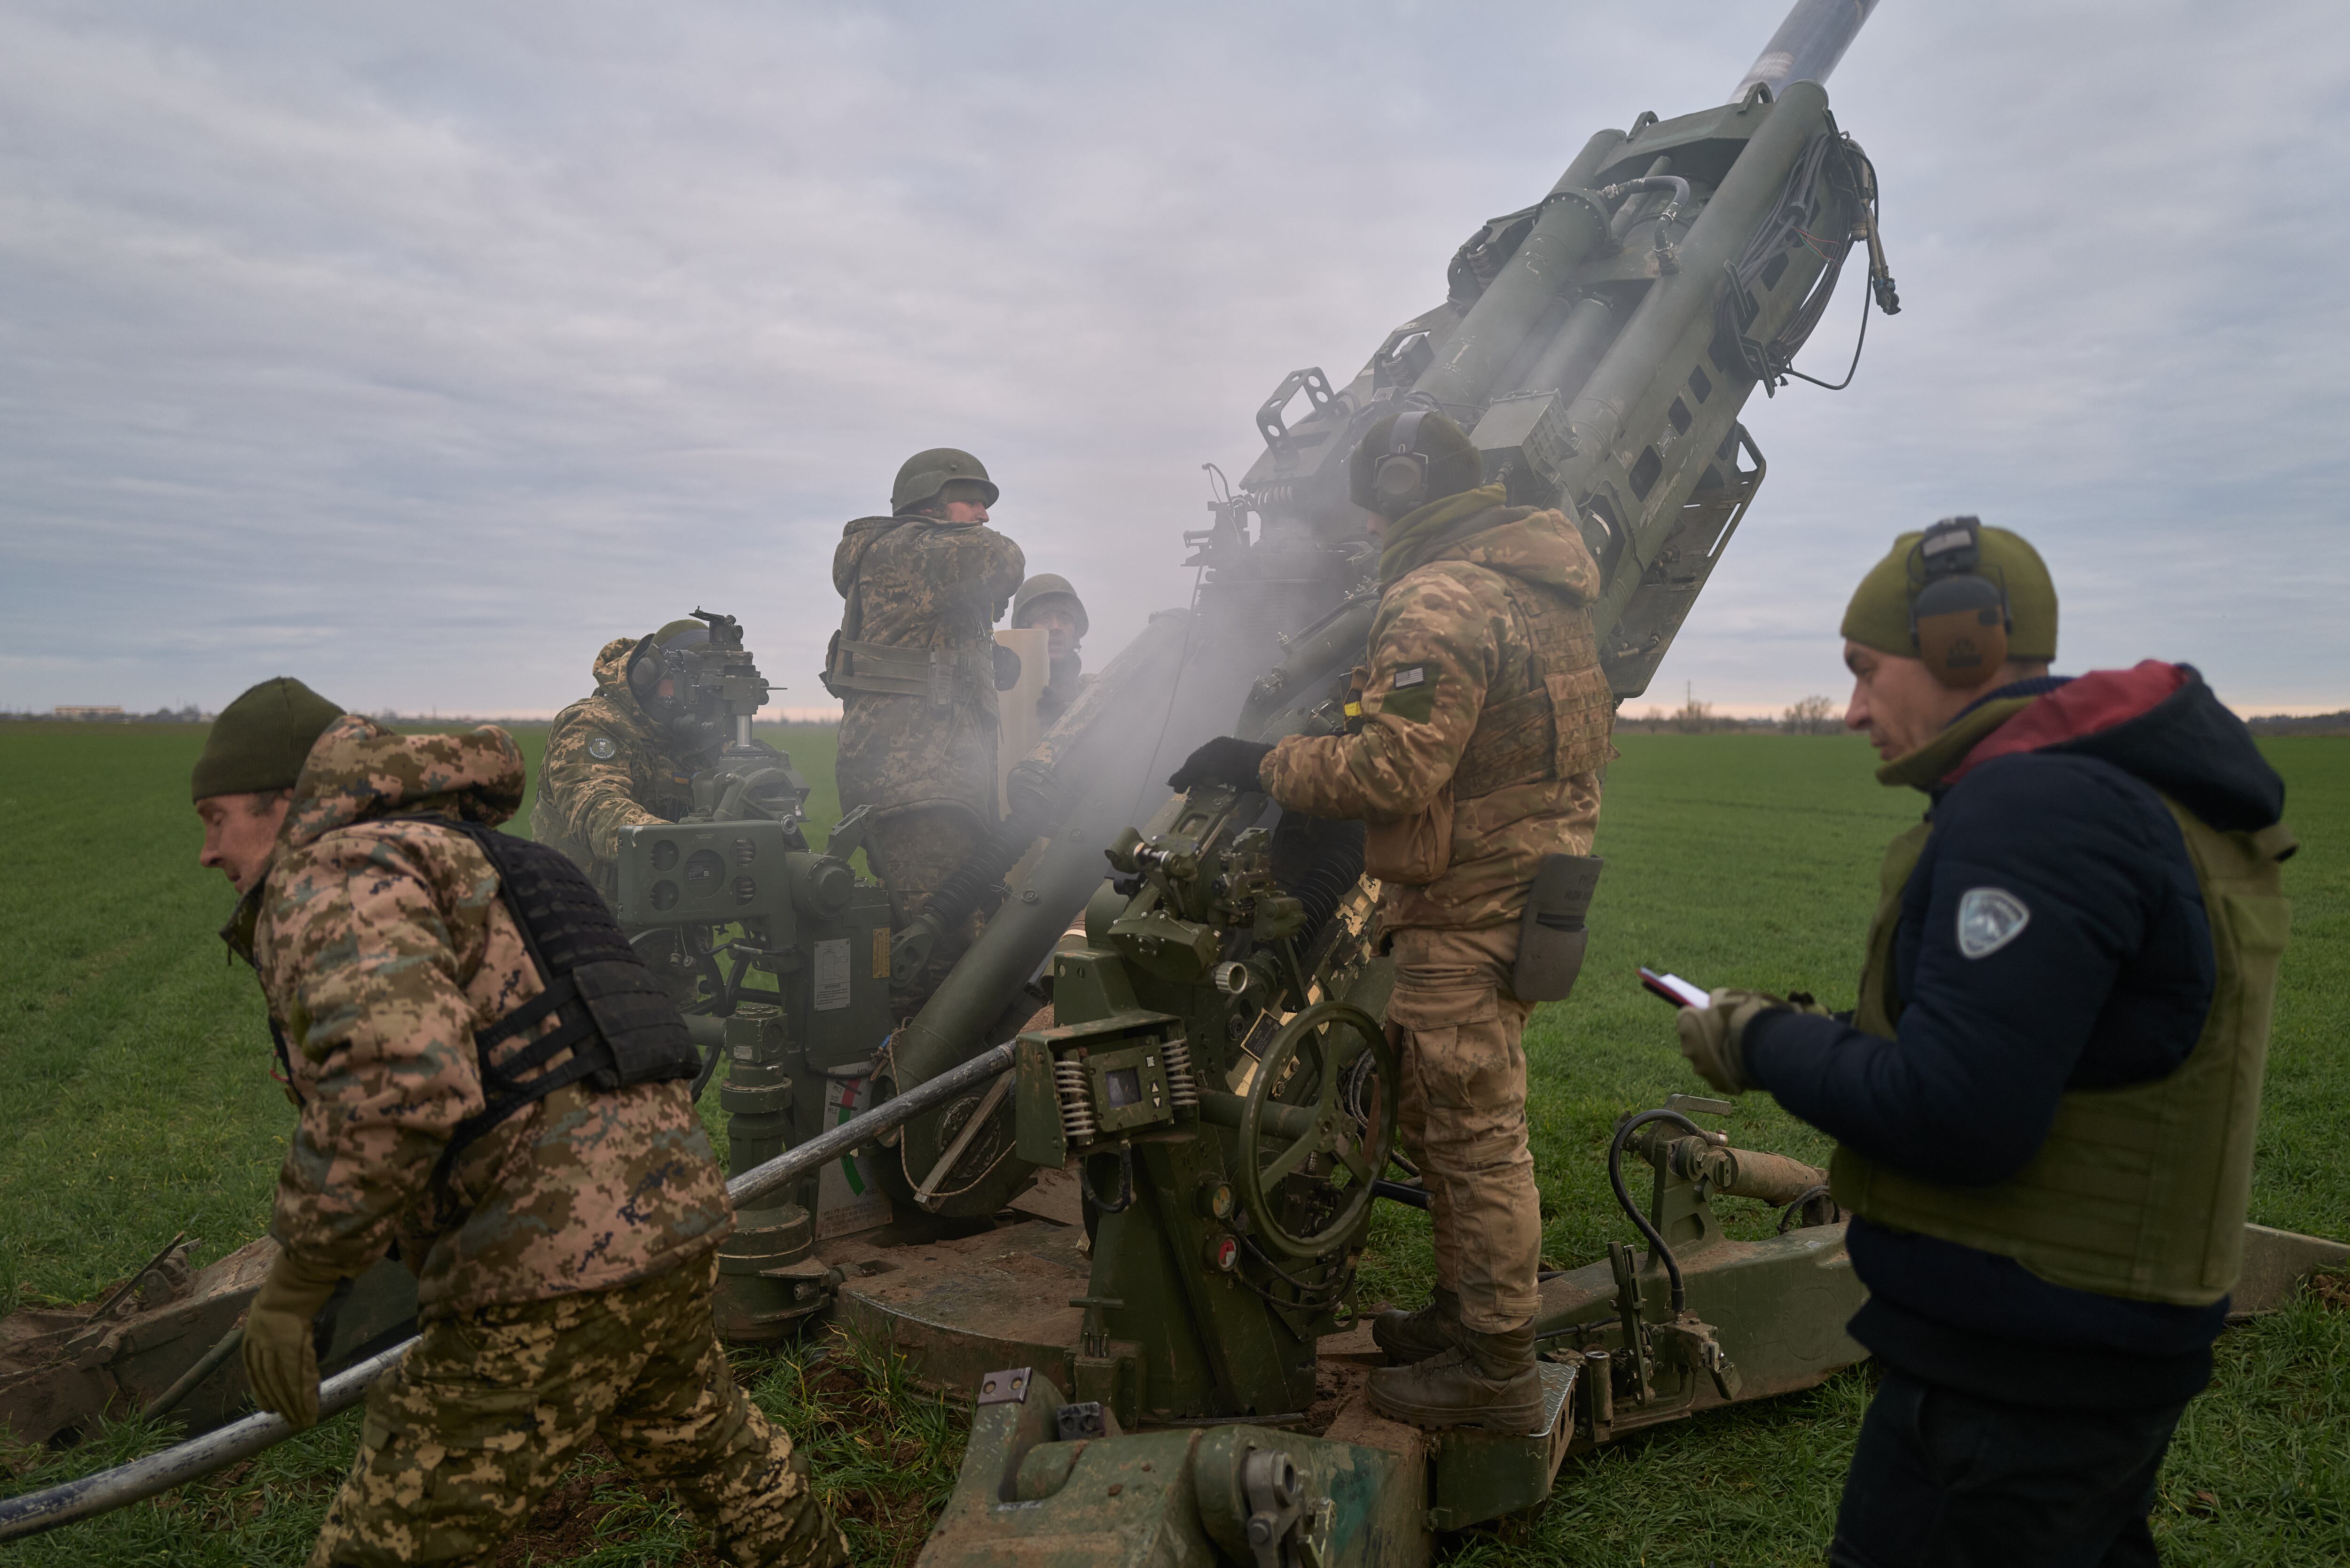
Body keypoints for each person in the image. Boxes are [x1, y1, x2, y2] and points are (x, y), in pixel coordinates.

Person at [1671, 519, 2292, 1567]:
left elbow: (1959, 1111)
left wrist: (1758, 1039)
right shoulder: (2095, 789)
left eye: (1866, 672)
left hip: (2028, 1356)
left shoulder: (2038, 808)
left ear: (1964, 645)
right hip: (2072, 1335)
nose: (1856, 708)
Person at [192, 677, 846, 1568]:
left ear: (285, 803)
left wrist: (298, 1285)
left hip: (550, 1257)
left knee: (387, 1541)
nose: (206, 850)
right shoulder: (481, 852)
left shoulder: (336, 870)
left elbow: (397, 1084)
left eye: (217, 816)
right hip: (671, 1211)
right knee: (715, 1448)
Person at [1167, 408, 1614, 1432]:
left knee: (1475, 1135)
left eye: (1371, 510)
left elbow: (1395, 767)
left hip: (1470, 902)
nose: (1366, 531)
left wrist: (1259, 760)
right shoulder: (1538, 585)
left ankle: (1494, 1369)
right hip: (1523, 890)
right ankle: (1464, 1317)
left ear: (1403, 494)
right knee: (1443, 1120)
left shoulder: (1440, 595)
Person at [823, 448, 1025, 1014]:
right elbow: (1001, 559)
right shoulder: (910, 548)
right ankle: (908, 1089)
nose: (984, 515)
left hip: (931, 784)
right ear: (930, 504)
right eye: (973, 501)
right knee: (938, 964)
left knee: (952, 950)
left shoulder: (912, 560)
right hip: (917, 788)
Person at [535, 617, 728, 897]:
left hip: (672, 909)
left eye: (707, 689)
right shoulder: (591, 723)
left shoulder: (699, 737)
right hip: (579, 908)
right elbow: (598, 808)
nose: (697, 700)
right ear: (648, 676)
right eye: (688, 685)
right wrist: (682, 844)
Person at [1010, 572, 1089, 726]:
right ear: (1024, 632)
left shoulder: (1093, 695)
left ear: (1076, 633)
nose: (1056, 628)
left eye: (1065, 620)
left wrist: (1065, 724)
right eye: (1044, 619)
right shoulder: (1002, 700)